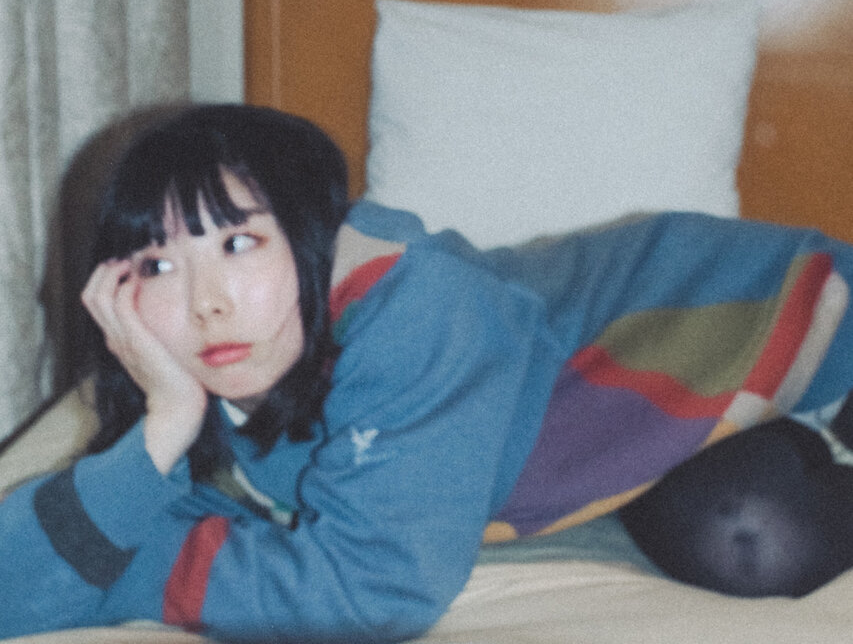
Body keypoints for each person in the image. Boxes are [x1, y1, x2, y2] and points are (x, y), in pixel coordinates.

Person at [3, 104, 853, 640]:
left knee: (753, 532)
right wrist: (159, 429)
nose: (206, 305)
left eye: (238, 243)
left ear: (310, 239)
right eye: (156, 266)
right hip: (620, 433)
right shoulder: (195, 396)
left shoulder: (414, 308)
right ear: (113, 295)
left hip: (726, 313)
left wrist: (132, 568)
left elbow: (374, 592)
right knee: (751, 537)